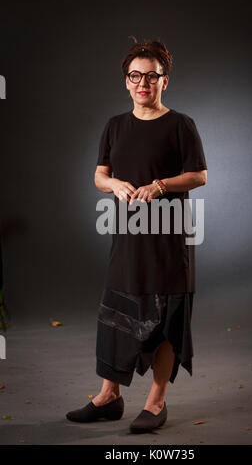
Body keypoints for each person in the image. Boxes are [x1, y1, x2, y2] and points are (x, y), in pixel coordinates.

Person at [66, 36, 207, 433]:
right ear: (125, 81)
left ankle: (156, 402)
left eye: (151, 76)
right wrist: (114, 186)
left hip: (168, 240)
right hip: (126, 236)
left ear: (165, 81)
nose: (142, 83)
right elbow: (100, 175)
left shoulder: (181, 125)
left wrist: (160, 186)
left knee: (165, 317)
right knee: (116, 314)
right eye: (135, 76)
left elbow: (199, 175)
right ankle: (109, 395)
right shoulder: (114, 126)